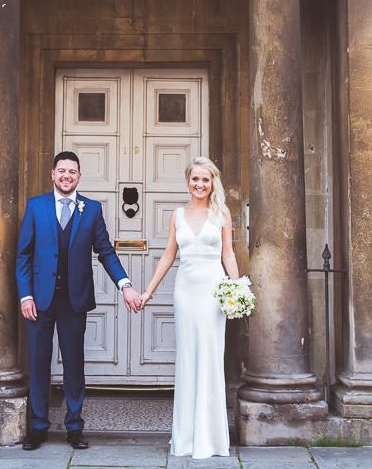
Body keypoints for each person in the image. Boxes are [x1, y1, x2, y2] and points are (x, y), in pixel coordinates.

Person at [16, 151, 143, 451]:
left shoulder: (92, 209)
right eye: (61, 171)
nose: (66, 176)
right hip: (39, 301)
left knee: (74, 364)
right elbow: (23, 254)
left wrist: (125, 285)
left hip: (74, 301)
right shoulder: (36, 207)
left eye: (72, 172)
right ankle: (37, 427)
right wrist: (25, 295)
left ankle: (74, 426)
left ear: (79, 176)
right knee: (38, 363)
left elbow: (106, 251)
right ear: (52, 174)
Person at [139, 156, 240, 460]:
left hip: (212, 290)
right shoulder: (177, 216)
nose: (200, 184)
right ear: (188, 182)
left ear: (213, 183)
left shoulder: (222, 213)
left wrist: (237, 290)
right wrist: (148, 291)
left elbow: (229, 255)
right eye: (195, 179)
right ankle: (185, 439)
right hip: (185, 290)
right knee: (187, 360)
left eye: (205, 180)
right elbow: (169, 255)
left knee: (210, 358)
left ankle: (210, 440)